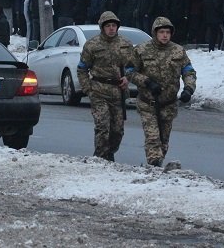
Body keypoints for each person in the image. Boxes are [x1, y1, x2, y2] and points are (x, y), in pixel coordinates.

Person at [125, 16, 197, 167]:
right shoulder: (142, 50)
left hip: (168, 104)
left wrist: (188, 89)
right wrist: (147, 82)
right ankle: (154, 165)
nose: (165, 35)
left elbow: (188, 71)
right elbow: (129, 71)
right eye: (162, 32)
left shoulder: (178, 51)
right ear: (155, 33)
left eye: (167, 32)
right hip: (148, 103)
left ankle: (156, 166)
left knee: (163, 141)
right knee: (153, 138)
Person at [77, 11, 134, 161]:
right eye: (108, 26)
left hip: (118, 92)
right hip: (99, 91)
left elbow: (133, 66)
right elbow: (82, 69)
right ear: (102, 27)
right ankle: (100, 158)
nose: (111, 28)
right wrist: (88, 89)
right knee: (103, 127)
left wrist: (127, 78)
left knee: (117, 131)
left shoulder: (125, 44)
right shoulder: (92, 45)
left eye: (114, 25)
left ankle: (110, 153)